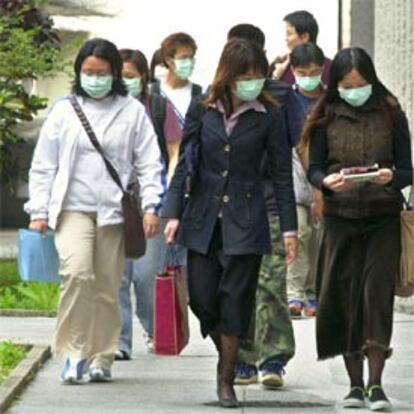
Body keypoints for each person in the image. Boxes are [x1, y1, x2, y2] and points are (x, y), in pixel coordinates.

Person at [164, 38, 298, 408]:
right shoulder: (202, 108)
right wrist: (172, 212)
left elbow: (282, 175)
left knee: (236, 300)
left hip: (248, 219)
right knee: (203, 298)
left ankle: (227, 378)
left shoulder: (269, 115)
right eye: (245, 75)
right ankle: (232, 342)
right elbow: (185, 167)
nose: (251, 82)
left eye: (257, 75)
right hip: (203, 218)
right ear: (228, 74)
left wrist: (289, 230)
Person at [24, 38, 164, 384]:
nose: (95, 78)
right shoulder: (64, 111)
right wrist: (38, 209)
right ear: (79, 72)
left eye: (102, 73)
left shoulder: (132, 111)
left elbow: (148, 162)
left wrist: (151, 205)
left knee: (106, 285)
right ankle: (73, 352)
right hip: (72, 209)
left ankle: (102, 355)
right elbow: (44, 165)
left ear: (114, 73)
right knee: (76, 274)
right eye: (88, 72)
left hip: (114, 213)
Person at [303, 47, 412, 411]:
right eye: (347, 85)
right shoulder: (325, 116)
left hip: (382, 217)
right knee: (346, 297)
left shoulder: (392, 113)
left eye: (361, 84)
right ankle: (354, 385)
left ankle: (376, 384)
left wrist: (391, 177)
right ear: (337, 86)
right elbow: (313, 168)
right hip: (340, 218)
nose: (355, 90)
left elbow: (408, 170)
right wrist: (328, 182)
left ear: (372, 80)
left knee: (377, 295)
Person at [226, 23, 299, 390]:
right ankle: (243, 356)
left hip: (270, 204)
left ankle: (274, 357)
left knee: (271, 284)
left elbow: (296, 151)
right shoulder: (218, 100)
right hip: (233, 209)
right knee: (241, 286)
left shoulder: (282, 97)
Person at [114, 48, 181, 359]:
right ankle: (120, 342)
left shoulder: (156, 106)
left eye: (130, 76)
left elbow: (174, 151)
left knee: (144, 276)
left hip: (151, 202)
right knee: (117, 275)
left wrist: (166, 198)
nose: (124, 82)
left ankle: (155, 327)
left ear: (143, 77)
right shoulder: (104, 107)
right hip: (113, 202)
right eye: (120, 76)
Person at [286, 42, 325, 318]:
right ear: (293, 71)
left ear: (322, 70)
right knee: (299, 232)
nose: (308, 77)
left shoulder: (330, 99)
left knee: (319, 237)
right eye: (302, 72)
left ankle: (313, 292)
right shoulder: (288, 100)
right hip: (297, 178)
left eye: (313, 71)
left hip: (326, 179)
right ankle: (294, 293)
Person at [155, 32, 202, 180]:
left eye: (191, 57)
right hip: (158, 169)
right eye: (183, 58)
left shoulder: (199, 94)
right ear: (169, 61)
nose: (189, 62)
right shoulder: (153, 93)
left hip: (190, 171)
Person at [271, 10, 332, 86]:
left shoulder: (330, 67)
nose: (286, 38)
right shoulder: (282, 66)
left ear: (304, 37)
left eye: (289, 34)